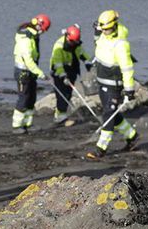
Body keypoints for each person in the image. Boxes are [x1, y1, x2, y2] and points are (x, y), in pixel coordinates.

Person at [86, 10, 138, 160]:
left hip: (114, 85)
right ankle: (132, 135)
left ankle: (101, 148)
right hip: (102, 81)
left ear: (114, 26)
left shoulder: (121, 44)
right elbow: (98, 44)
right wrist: (97, 33)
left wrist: (129, 89)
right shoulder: (104, 35)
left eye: (107, 29)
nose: (105, 32)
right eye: (103, 29)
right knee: (112, 113)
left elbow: (127, 68)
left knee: (108, 115)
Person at [12, 13, 51, 134]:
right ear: (39, 26)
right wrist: (40, 73)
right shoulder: (26, 39)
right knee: (23, 98)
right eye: (43, 30)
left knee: (31, 98)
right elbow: (28, 60)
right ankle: (17, 125)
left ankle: (28, 123)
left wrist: (35, 72)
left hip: (30, 72)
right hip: (23, 72)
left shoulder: (33, 37)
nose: (43, 33)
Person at [49, 24, 92, 125]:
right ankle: (61, 118)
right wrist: (63, 76)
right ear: (68, 37)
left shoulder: (75, 43)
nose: (74, 44)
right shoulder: (59, 46)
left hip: (71, 69)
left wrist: (87, 62)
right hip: (59, 72)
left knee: (68, 93)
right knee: (62, 94)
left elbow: (81, 53)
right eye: (72, 42)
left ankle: (60, 115)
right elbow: (57, 63)